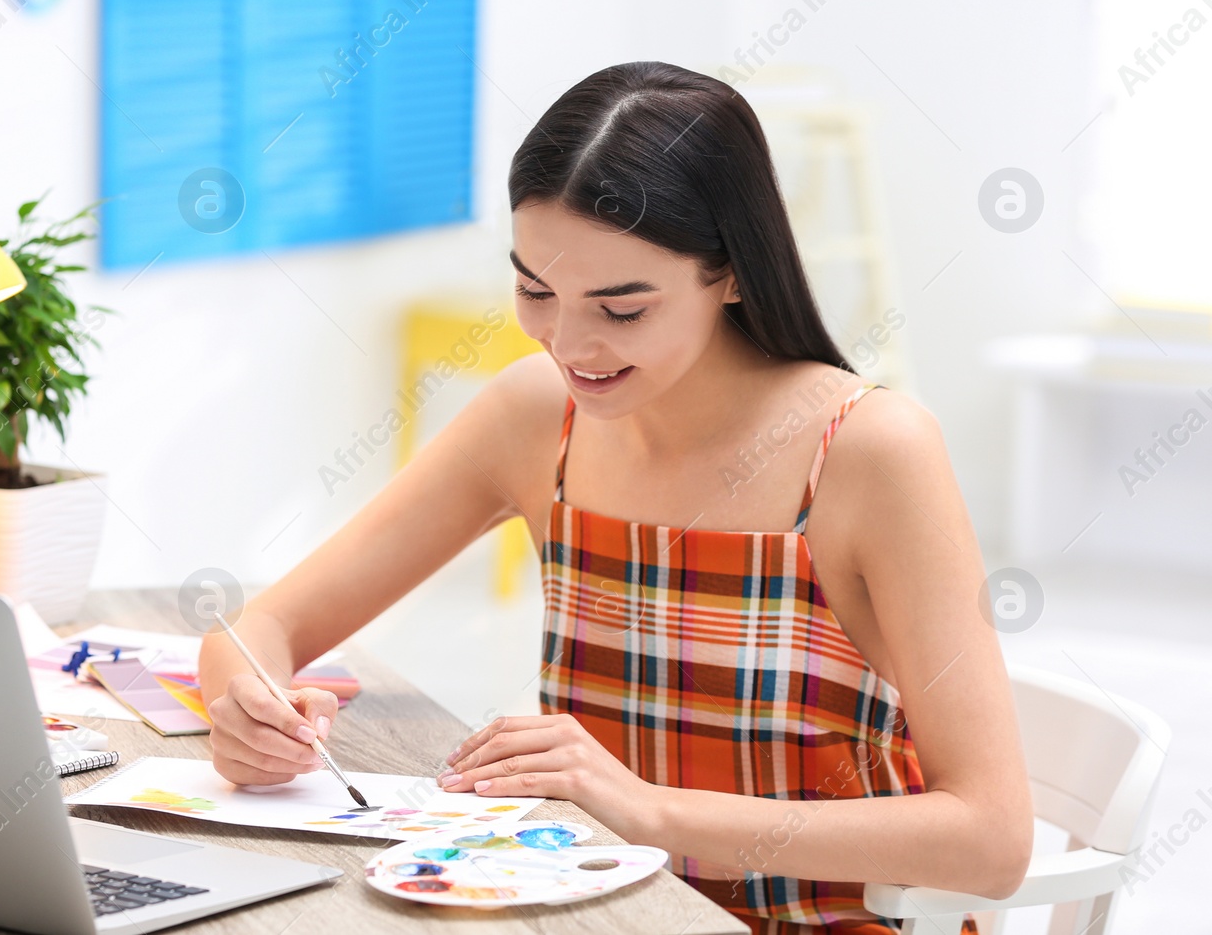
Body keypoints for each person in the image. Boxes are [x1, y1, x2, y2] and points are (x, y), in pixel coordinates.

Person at [198, 61, 1032, 933]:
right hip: (602, 914)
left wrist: (646, 808)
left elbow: (992, 836)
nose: (570, 342)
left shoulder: (868, 449)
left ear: (735, 274)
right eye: (534, 291)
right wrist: (249, 712)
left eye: (622, 308)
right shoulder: (536, 416)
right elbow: (259, 631)